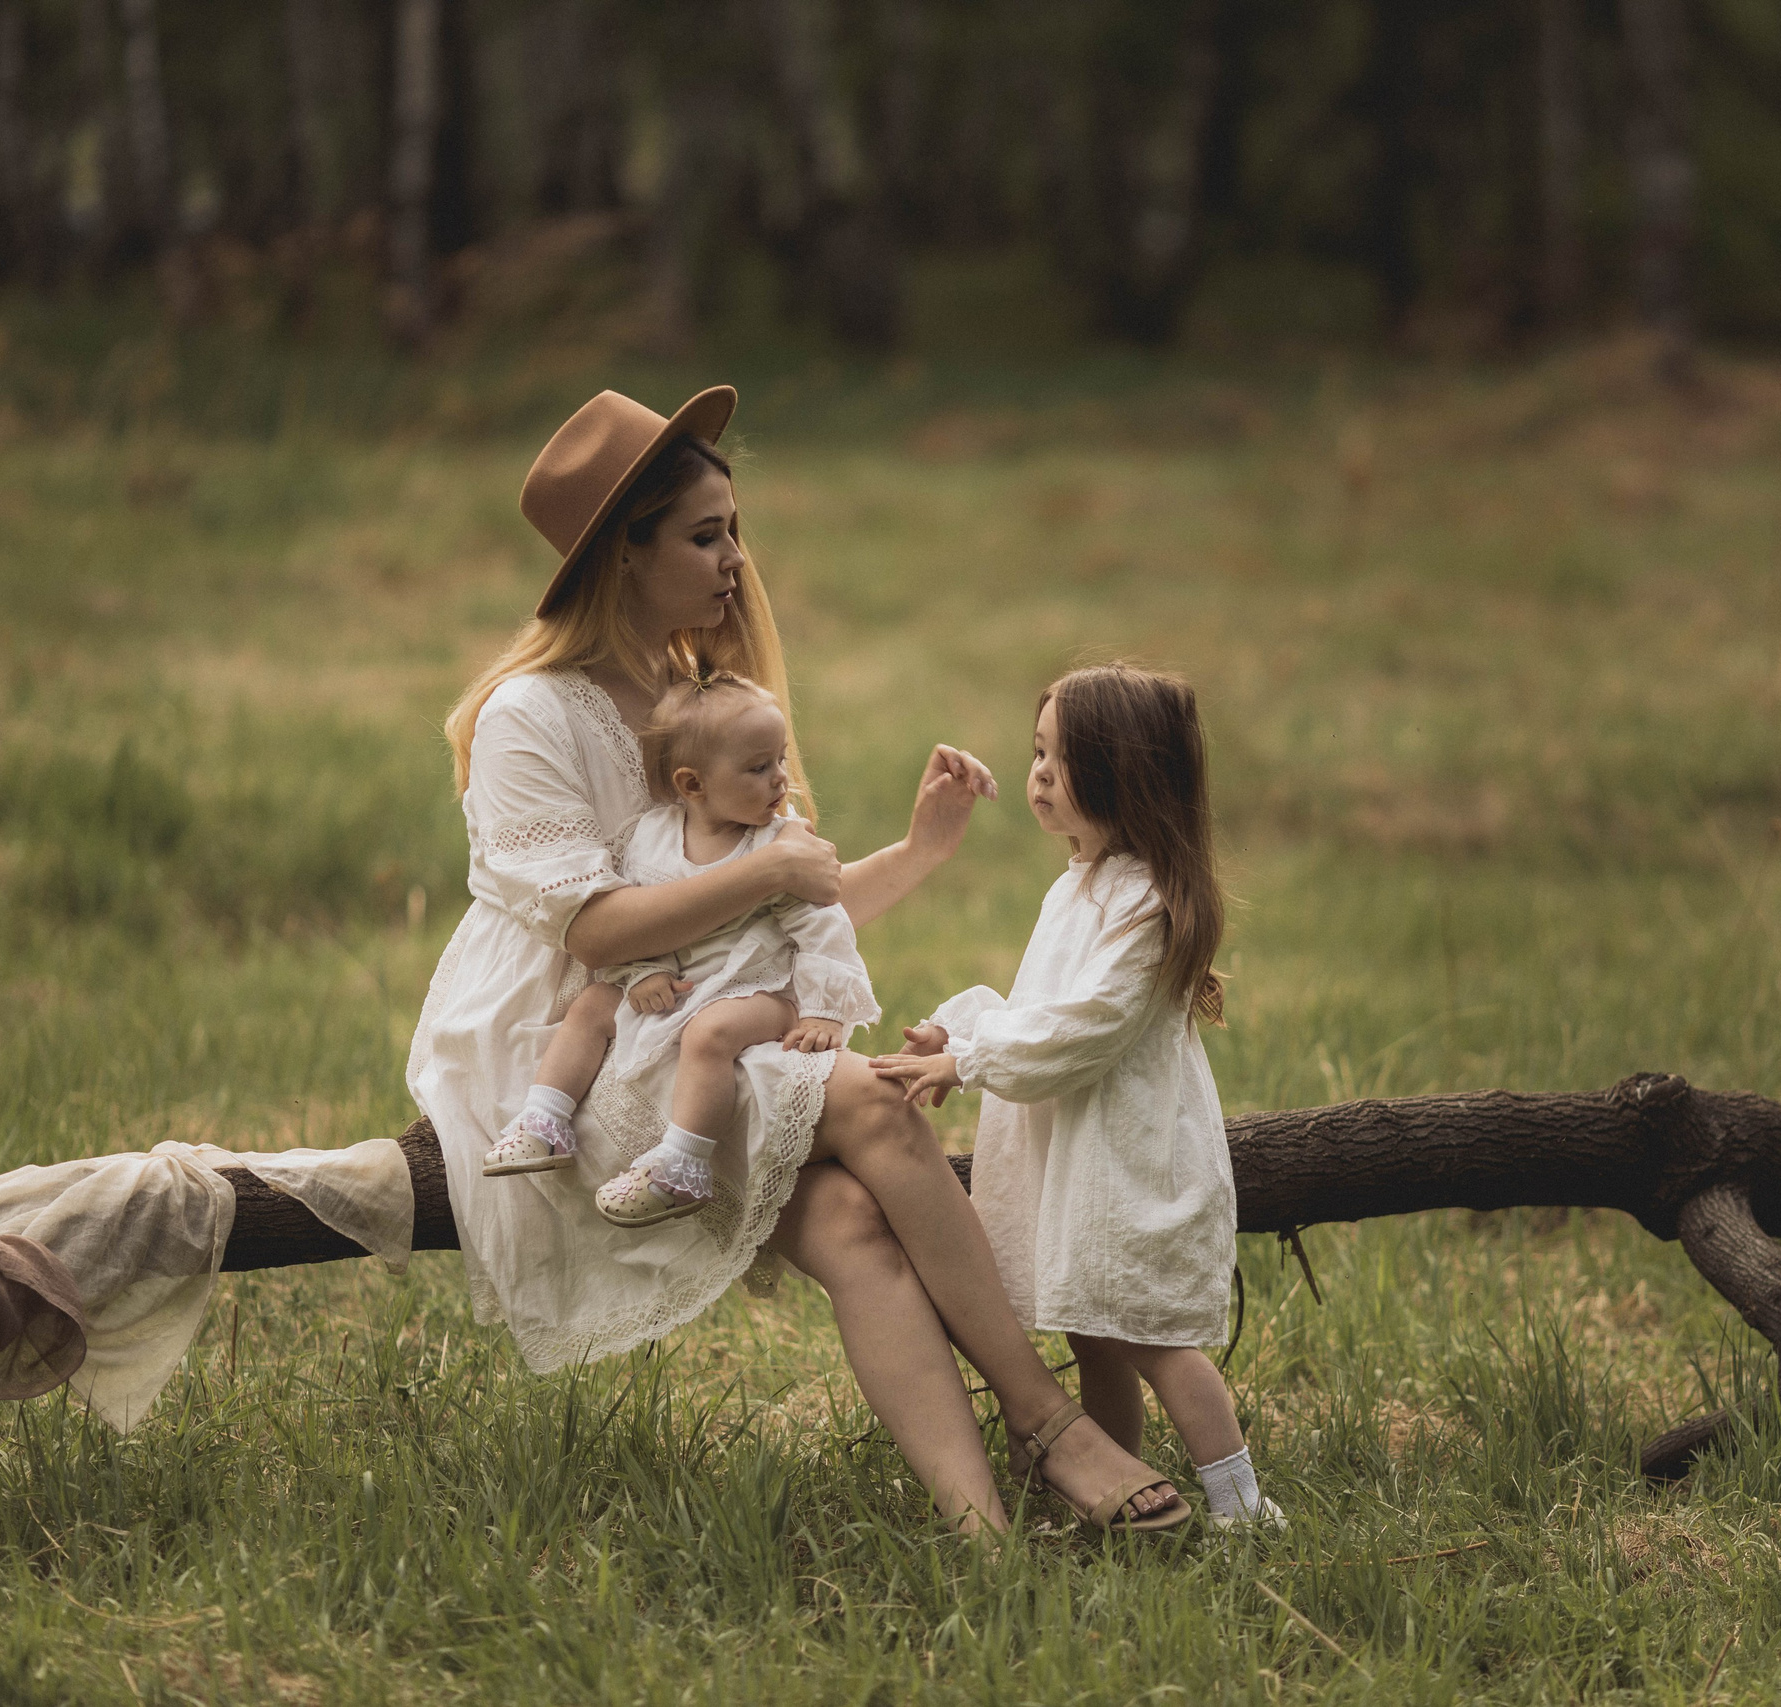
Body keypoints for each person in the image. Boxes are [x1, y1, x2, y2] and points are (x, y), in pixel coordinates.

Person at [410, 388, 1186, 1532]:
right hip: (575, 1045)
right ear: (622, 553)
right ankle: (1048, 1422)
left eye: (734, 529)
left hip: (696, 1023)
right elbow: (598, 932)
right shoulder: (532, 713)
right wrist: (774, 869)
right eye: (704, 535)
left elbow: (763, 922)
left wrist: (916, 853)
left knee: (850, 1223)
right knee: (867, 1097)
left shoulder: (698, 700)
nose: (735, 560)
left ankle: (981, 1536)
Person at [873, 665, 1280, 1529]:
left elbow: (1088, 1027)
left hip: (1124, 1163)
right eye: (1038, 753)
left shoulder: (1145, 906)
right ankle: (1103, 1479)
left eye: (1066, 761)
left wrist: (972, 1060)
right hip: (1080, 1157)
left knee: (1151, 1338)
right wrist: (956, 1029)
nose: (1041, 776)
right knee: (1094, 1331)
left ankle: (1242, 1502)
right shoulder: (1080, 882)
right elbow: (1041, 1008)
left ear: (1130, 778)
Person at [482, 668, 880, 1231]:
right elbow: (636, 917)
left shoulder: (778, 843)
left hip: (760, 989)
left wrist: (823, 1009)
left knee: (709, 1034)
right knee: (592, 1006)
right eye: (758, 768)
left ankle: (682, 1166)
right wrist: (641, 971)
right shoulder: (651, 838)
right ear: (693, 785)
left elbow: (824, 928)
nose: (781, 780)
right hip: (684, 984)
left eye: (781, 760)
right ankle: (545, 1120)